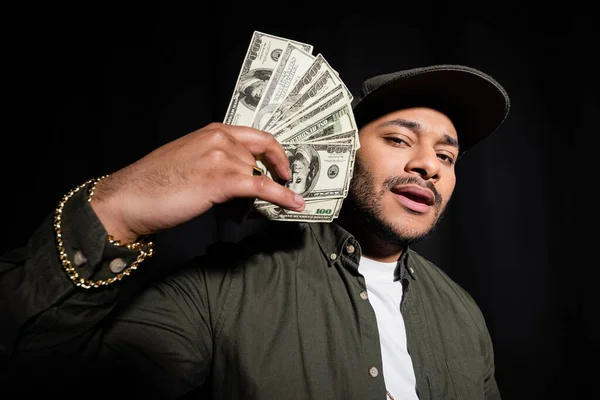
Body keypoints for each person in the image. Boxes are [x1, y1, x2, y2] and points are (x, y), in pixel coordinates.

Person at [0, 64, 510, 399]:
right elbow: (47, 378)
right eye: (400, 139)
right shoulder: (222, 290)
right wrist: (117, 211)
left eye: (447, 156)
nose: (430, 166)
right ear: (341, 152)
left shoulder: (463, 314)